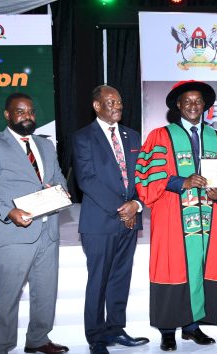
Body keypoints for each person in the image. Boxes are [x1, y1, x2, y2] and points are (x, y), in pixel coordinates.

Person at [135, 80, 217, 351]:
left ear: (205, 106)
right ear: (178, 105)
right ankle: (167, 330)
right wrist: (181, 182)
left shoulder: (216, 137)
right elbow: (147, 175)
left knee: (199, 266)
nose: (192, 105)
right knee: (171, 266)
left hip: (205, 217)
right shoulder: (160, 136)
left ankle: (191, 326)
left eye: (198, 101)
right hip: (171, 214)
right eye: (187, 101)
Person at [0, 93, 69, 354]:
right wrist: (8, 212)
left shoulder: (46, 145)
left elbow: (59, 177)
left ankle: (38, 339)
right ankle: (1, 346)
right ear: (7, 115)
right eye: (20, 111)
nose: (27, 116)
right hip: (14, 233)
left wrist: (61, 191)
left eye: (31, 112)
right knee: (7, 295)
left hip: (48, 232)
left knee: (46, 292)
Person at [73, 85, 149, 354]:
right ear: (97, 106)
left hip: (131, 218)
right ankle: (96, 337)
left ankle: (116, 329)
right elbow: (87, 180)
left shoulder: (133, 136)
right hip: (100, 222)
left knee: (120, 278)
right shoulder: (84, 138)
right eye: (111, 102)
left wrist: (137, 204)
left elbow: (142, 177)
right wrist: (122, 208)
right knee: (99, 280)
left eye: (119, 102)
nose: (117, 106)